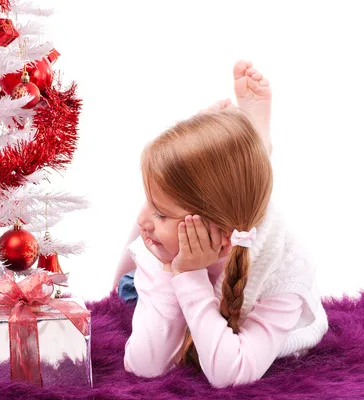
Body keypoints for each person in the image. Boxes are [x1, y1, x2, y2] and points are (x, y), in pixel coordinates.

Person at [118, 61, 328, 388]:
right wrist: (171, 269)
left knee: (239, 197)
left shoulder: (284, 271)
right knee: (125, 285)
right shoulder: (158, 245)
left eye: (159, 214)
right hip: (216, 232)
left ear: (220, 237)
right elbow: (145, 365)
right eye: (149, 203)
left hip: (245, 247)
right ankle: (243, 145)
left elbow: (230, 373)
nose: (140, 220)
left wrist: (189, 275)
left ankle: (253, 144)